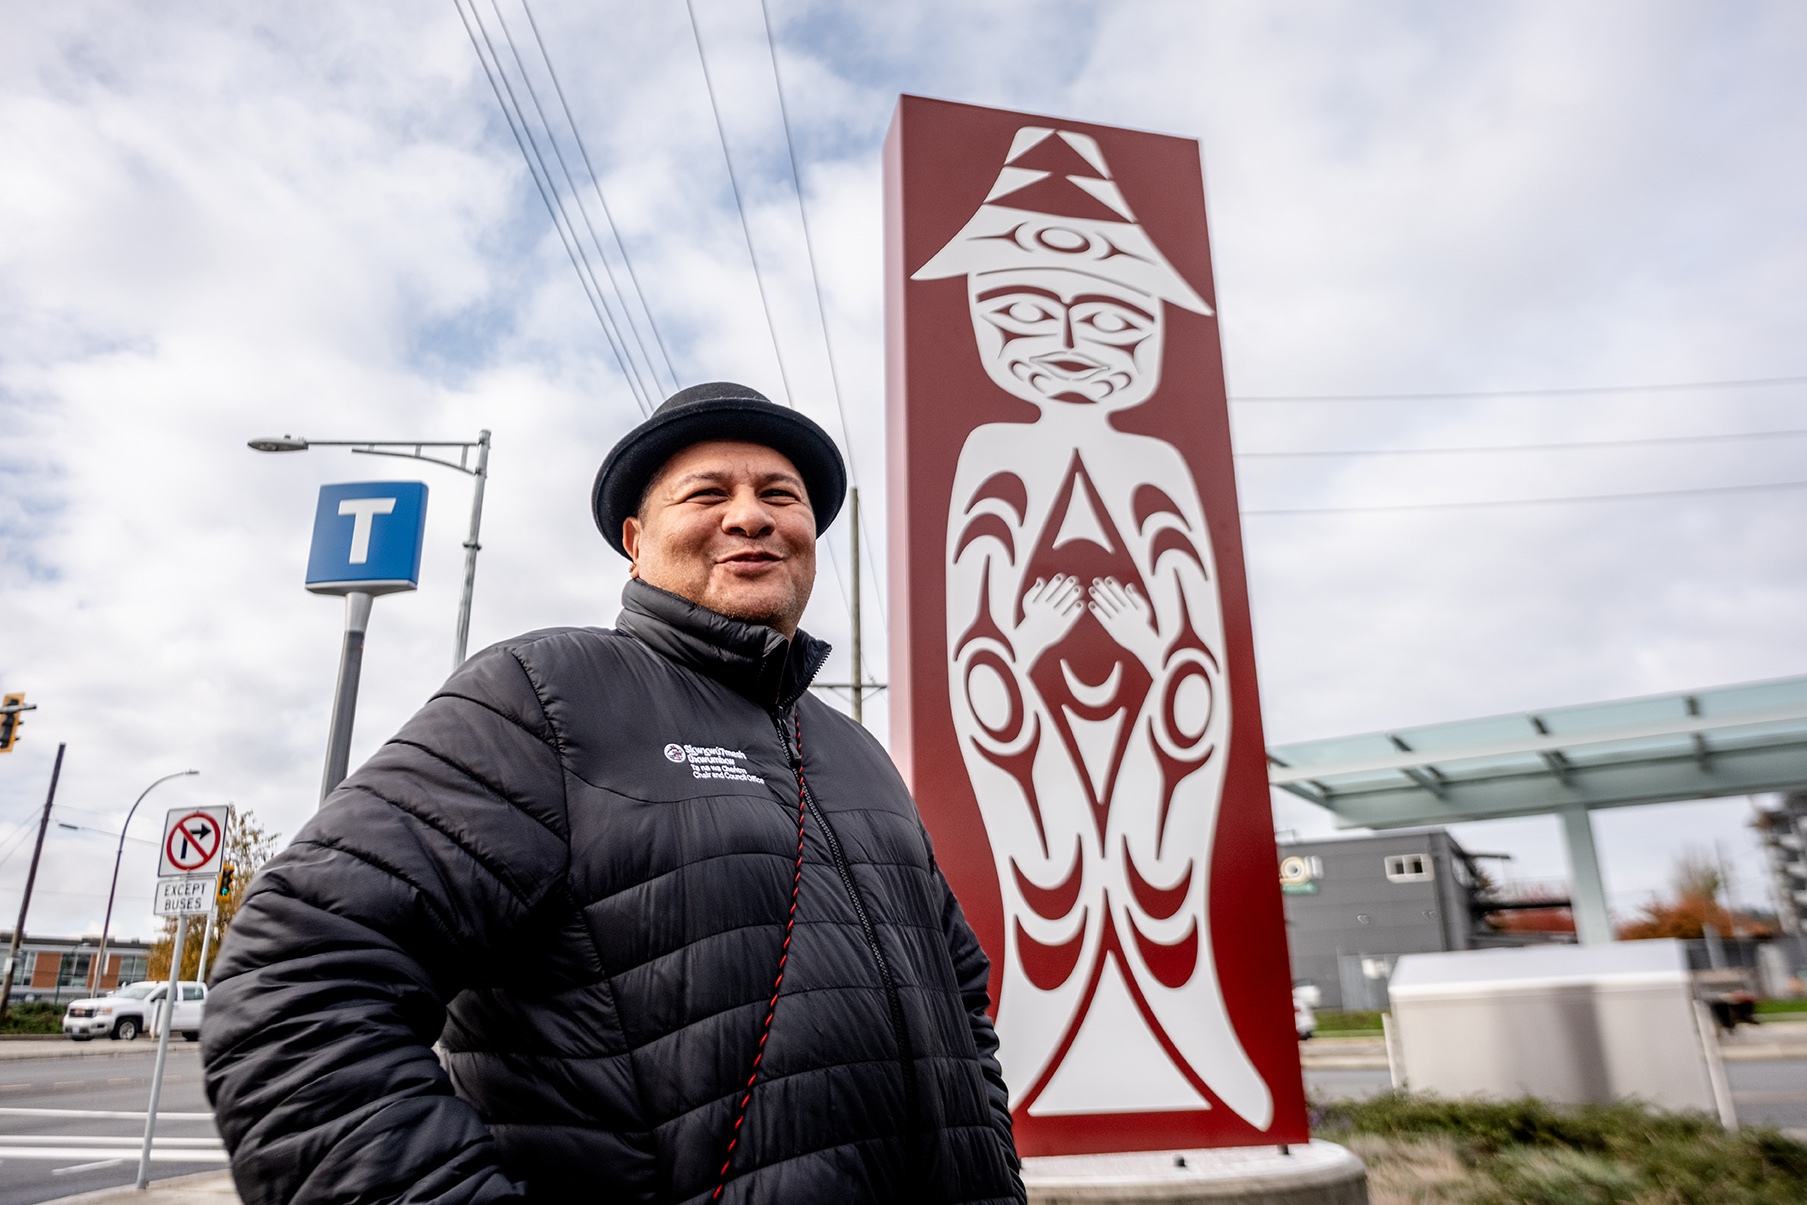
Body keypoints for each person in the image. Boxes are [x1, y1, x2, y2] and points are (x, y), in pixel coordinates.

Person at [201, 382, 1026, 1205]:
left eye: (780, 495)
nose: (751, 515)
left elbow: (960, 998)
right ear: (635, 542)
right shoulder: (545, 694)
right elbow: (293, 984)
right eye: (708, 493)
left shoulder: (859, 752)